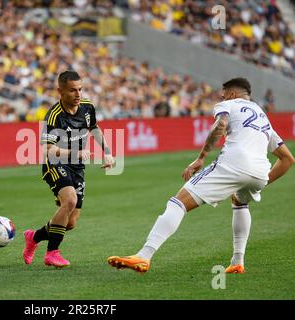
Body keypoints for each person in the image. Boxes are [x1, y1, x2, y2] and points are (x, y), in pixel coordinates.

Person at [107, 77, 294, 274]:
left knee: (177, 203)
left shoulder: (227, 105)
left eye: (223, 95)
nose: (221, 97)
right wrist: (262, 182)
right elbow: (288, 159)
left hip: (233, 163)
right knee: (239, 201)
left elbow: (221, 124)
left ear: (231, 94)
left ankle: (144, 256)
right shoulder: (263, 117)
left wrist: (201, 157)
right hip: (260, 171)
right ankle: (238, 261)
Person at [23, 70, 115, 268]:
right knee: (70, 200)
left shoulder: (87, 108)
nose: (78, 94)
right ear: (60, 91)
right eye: (73, 90)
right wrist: (75, 153)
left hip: (77, 166)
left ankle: (34, 237)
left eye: (80, 89)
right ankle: (52, 253)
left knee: (70, 223)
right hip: (55, 163)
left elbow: (94, 128)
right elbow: (47, 150)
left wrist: (107, 151)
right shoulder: (53, 116)